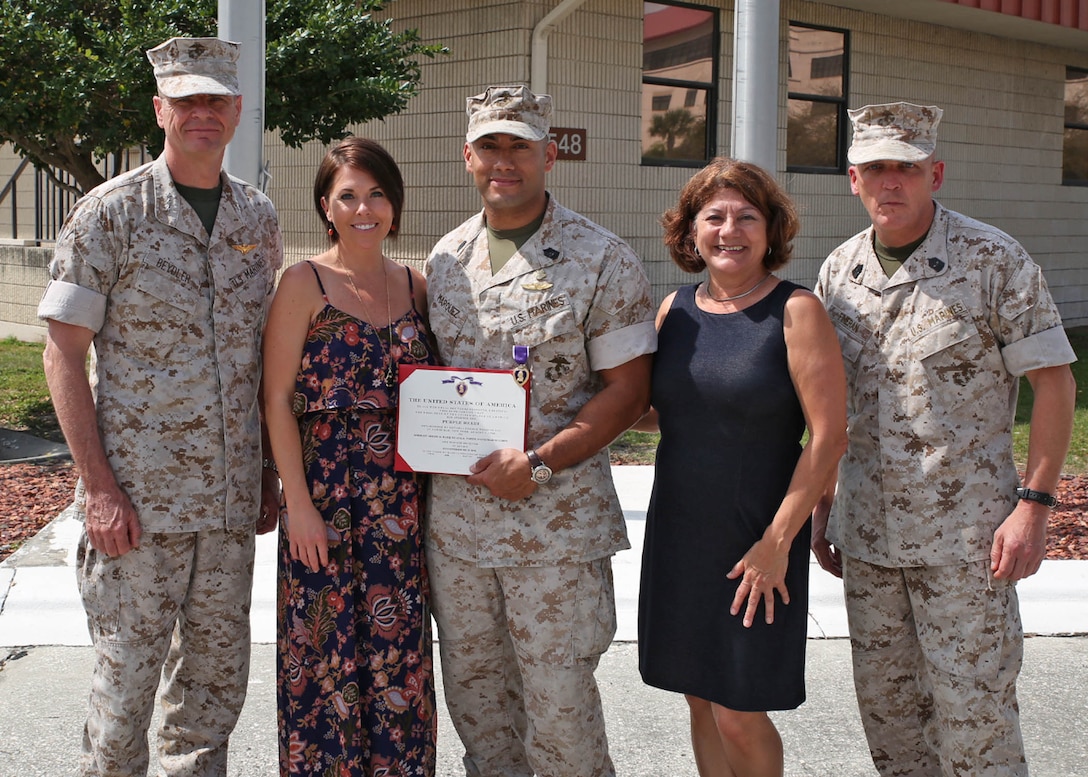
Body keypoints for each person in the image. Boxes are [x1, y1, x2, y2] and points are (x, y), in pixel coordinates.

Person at [37, 37, 283, 776]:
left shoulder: (257, 218)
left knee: (210, 701)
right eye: (186, 100)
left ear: (237, 111)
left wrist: (267, 473)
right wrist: (100, 489)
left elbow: (256, 360)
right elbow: (62, 354)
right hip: (137, 511)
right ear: (160, 109)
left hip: (229, 510)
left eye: (215, 99)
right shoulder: (109, 214)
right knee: (123, 704)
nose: (201, 112)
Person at [813, 102, 1077, 776]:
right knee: (891, 722)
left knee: (976, 724)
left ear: (937, 172)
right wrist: (822, 509)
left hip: (968, 543)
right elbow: (825, 407)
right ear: (853, 178)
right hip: (869, 540)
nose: (890, 182)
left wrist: (1034, 507)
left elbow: (1055, 383)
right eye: (876, 168)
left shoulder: (992, 260)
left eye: (906, 167)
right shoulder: (838, 274)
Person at [424, 85, 657, 777]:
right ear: (467, 156)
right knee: (480, 714)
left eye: (519, 146)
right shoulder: (444, 261)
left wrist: (543, 462)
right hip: (459, 536)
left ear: (548, 154)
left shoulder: (603, 259)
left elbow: (629, 391)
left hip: (554, 531)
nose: (505, 161)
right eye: (490, 146)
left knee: (561, 721)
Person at [636, 158, 848, 777]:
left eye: (747, 217)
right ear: (690, 231)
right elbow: (658, 410)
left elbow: (828, 436)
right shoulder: (673, 310)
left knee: (739, 707)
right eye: (715, 216)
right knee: (698, 696)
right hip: (680, 531)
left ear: (772, 229)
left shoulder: (796, 310)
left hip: (757, 535)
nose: (730, 230)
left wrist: (778, 541)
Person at [262, 137, 438, 776]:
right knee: (326, 662)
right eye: (348, 196)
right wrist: (297, 506)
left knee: (401, 667)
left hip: (401, 511)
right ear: (325, 207)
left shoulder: (418, 286)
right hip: (326, 507)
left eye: (377, 194)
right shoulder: (303, 283)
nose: (364, 208)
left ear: (394, 205)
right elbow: (276, 400)